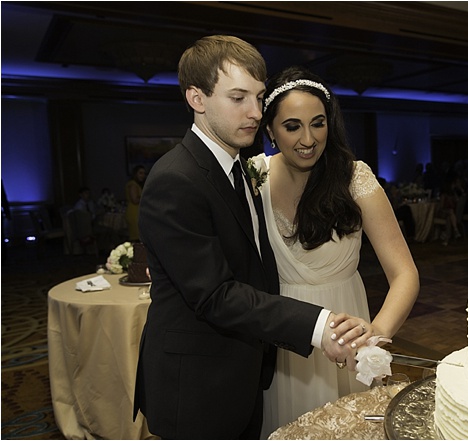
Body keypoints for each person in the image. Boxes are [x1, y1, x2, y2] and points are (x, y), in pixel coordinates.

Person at [132, 35, 366, 440]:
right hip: (197, 387)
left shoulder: (240, 168)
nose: (255, 113)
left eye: (259, 98)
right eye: (238, 98)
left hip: (242, 373)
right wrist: (318, 323)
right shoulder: (176, 179)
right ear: (196, 98)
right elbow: (214, 294)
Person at [256, 66, 419, 435]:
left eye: (318, 123)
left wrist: (375, 336)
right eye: (292, 126)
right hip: (282, 336)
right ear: (269, 130)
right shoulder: (254, 178)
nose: (308, 139)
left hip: (349, 332)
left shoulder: (353, 177)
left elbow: (405, 274)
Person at [125, 165, 146, 241]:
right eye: (140, 173)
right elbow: (134, 199)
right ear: (135, 174)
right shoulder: (133, 184)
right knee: (136, 238)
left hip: (137, 212)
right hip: (134, 212)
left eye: (144, 173)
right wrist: (146, 198)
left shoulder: (136, 184)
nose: (143, 175)